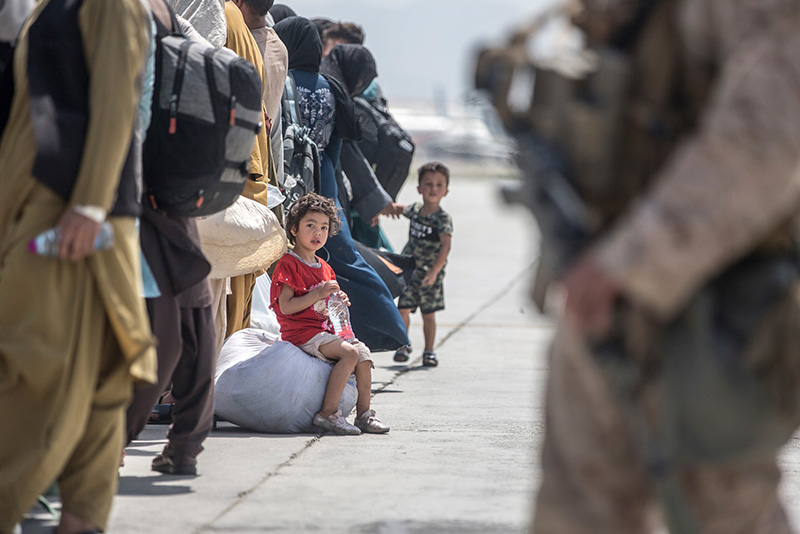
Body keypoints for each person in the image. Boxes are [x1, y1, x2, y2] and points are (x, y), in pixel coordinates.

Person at [481, 1, 800, 533]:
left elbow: (769, 133)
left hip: (705, 308)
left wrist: (631, 262)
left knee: (719, 509)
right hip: (605, 288)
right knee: (576, 509)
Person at [0, 0, 156, 532]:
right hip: (61, 214)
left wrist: (88, 206)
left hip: (70, 218)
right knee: (96, 383)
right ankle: (83, 519)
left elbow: (117, 100)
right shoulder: (54, 6)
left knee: (38, 371)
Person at [274, 15, 409, 352]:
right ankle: (391, 328)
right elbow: (336, 150)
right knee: (344, 259)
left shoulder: (284, 81)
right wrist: (327, 190)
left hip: (287, 183)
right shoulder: (330, 87)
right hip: (324, 185)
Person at [124, 0, 217, 477]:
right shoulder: (166, 12)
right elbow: (213, 56)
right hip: (179, 183)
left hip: (137, 186)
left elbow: (130, 108)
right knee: (192, 309)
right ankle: (184, 448)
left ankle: (110, 438)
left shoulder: (125, 12)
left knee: (157, 321)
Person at [270, 193, 390, 435]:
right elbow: (286, 307)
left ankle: (364, 414)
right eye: (310, 225)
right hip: (302, 333)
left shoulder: (325, 267)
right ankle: (327, 414)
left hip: (324, 330)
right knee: (349, 354)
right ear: (293, 229)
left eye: (324, 227)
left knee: (364, 356)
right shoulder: (289, 264)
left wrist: (338, 300)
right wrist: (317, 295)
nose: (318, 233)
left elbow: (328, 301)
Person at [388, 162, 452, 367]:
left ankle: (429, 351)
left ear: (446, 191)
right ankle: (403, 345)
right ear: (419, 188)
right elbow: (399, 209)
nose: (433, 189)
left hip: (429, 275)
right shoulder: (415, 210)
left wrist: (435, 271)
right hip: (409, 271)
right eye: (428, 184)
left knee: (428, 314)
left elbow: (445, 246)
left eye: (439, 185)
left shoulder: (442, 219)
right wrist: (379, 212)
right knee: (403, 310)